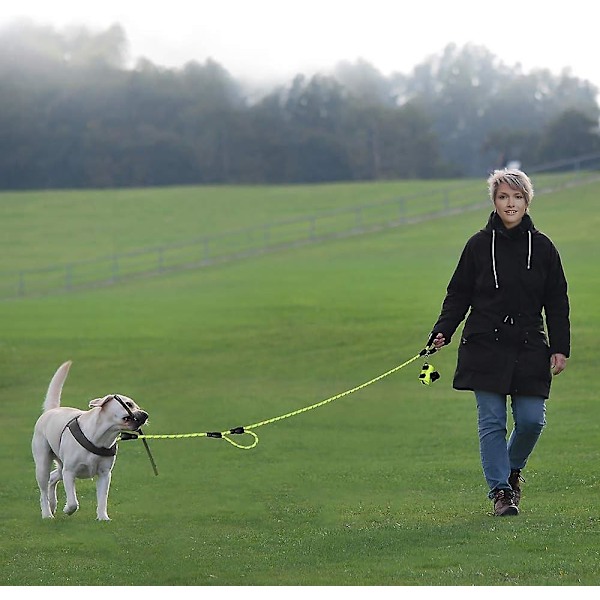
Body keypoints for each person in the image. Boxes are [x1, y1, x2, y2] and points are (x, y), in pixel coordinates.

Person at [427, 168, 570, 516]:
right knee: (491, 421)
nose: (510, 203)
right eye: (503, 196)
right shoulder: (477, 245)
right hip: (484, 344)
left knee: (532, 420)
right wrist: (443, 329)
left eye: (517, 197)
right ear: (494, 201)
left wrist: (560, 346)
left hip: (529, 344)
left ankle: (511, 470)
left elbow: (557, 301)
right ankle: (501, 492)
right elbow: (458, 294)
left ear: (527, 201)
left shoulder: (544, 247)